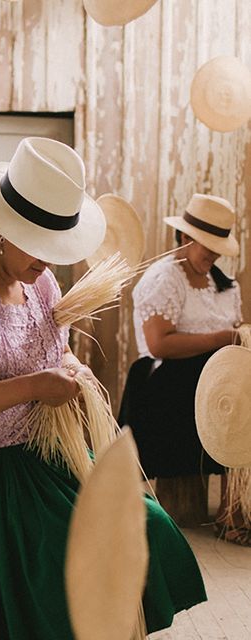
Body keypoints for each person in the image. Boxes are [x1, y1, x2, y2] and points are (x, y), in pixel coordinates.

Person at [0, 137, 207, 639]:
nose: (50, 263)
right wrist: (34, 385)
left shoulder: (42, 284)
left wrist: (71, 370)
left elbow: (48, 353)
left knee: (143, 530)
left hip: (28, 458)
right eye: (41, 246)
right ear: (2, 233)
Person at [119, 193, 249, 543]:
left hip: (211, 377)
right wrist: (221, 338)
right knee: (216, 388)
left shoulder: (223, 284)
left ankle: (233, 507)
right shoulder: (164, 279)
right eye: (206, 245)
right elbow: (160, 344)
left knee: (239, 392)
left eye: (217, 246)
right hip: (168, 378)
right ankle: (221, 512)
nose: (212, 254)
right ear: (185, 238)